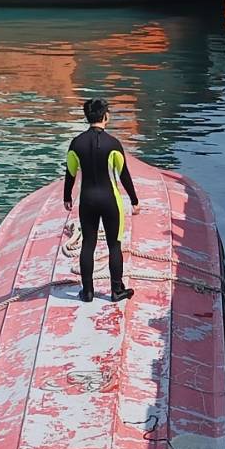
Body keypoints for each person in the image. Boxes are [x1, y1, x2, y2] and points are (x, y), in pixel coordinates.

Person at [63, 98, 141, 302]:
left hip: (86, 200)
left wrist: (67, 197)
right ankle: (116, 291)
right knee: (114, 245)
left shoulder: (76, 143)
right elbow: (124, 174)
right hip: (109, 200)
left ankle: (87, 292)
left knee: (88, 243)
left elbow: (70, 173)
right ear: (105, 116)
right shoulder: (113, 144)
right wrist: (134, 200)